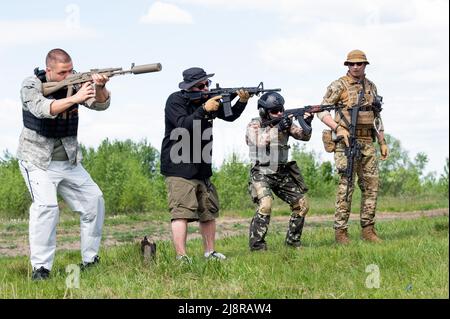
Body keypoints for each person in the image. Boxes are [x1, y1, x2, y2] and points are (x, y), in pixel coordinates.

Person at [17, 48, 111, 280]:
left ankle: (90, 260)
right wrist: (74, 98)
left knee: (94, 201)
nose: (68, 76)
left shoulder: (77, 79)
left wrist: (99, 87)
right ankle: (41, 268)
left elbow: (100, 105)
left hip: (68, 159)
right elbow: (42, 110)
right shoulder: (30, 85)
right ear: (48, 70)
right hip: (37, 160)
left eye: (70, 70)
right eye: (62, 73)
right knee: (47, 208)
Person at [160, 67, 252, 262]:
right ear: (190, 87)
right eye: (201, 85)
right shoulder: (175, 100)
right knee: (181, 213)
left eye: (207, 84)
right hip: (179, 165)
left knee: (208, 212)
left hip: (202, 165)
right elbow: (182, 124)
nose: (205, 88)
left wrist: (241, 101)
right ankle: (181, 256)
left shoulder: (206, 101)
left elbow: (230, 116)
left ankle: (210, 252)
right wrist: (204, 109)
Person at [316, 49, 389, 244]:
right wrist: (338, 128)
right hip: (347, 143)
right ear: (347, 66)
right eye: (352, 64)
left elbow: (376, 117)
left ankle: (368, 230)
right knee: (346, 187)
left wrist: (382, 141)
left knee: (371, 187)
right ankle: (341, 233)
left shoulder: (371, 87)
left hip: (367, 142)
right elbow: (321, 112)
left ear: (365, 65)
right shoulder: (338, 85)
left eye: (359, 63)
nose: (356, 67)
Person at [246, 92, 313, 251]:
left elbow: (303, 136)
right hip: (261, 172)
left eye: (281, 109)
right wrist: (277, 128)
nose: (279, 113)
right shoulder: (254, 125)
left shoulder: (285, 122)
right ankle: (257, 247)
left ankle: (292, 243)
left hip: (282, 173)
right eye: (275, 111)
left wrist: (307, 122)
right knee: (266, 204)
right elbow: (258, 142)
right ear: (263, 112)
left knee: (302, 204)